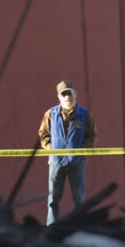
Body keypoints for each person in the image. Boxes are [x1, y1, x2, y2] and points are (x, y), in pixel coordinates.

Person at [38, 80, 98, 225]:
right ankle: (51, 228)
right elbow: (43, 133)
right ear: (59, 96)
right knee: (53, 199)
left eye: (69, 93)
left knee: (79, 199)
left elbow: (92, 136)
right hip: (55, 162)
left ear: (75, 94)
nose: (67, 97)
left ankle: (81, 227)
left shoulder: (84, 115)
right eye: (63, 94)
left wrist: (82, 153)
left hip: (76, 163)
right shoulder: (50, 114)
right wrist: (51, 149)